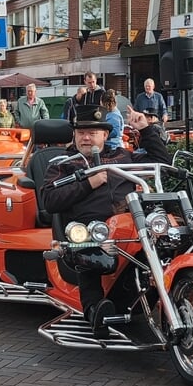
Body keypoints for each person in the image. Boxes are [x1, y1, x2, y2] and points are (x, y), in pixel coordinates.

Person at [39, 104, 138, 330]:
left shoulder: (122, 156)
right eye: (81, 132)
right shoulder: (62, 164)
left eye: (92, 133)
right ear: (73, 135)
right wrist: (88, 184)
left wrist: (148, 131)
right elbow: (50, 200)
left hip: (128, 225)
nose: (86, 138)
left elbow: (161, 162)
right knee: (90, 255)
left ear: (105, 134)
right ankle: (94, 310)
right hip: (88, 230)